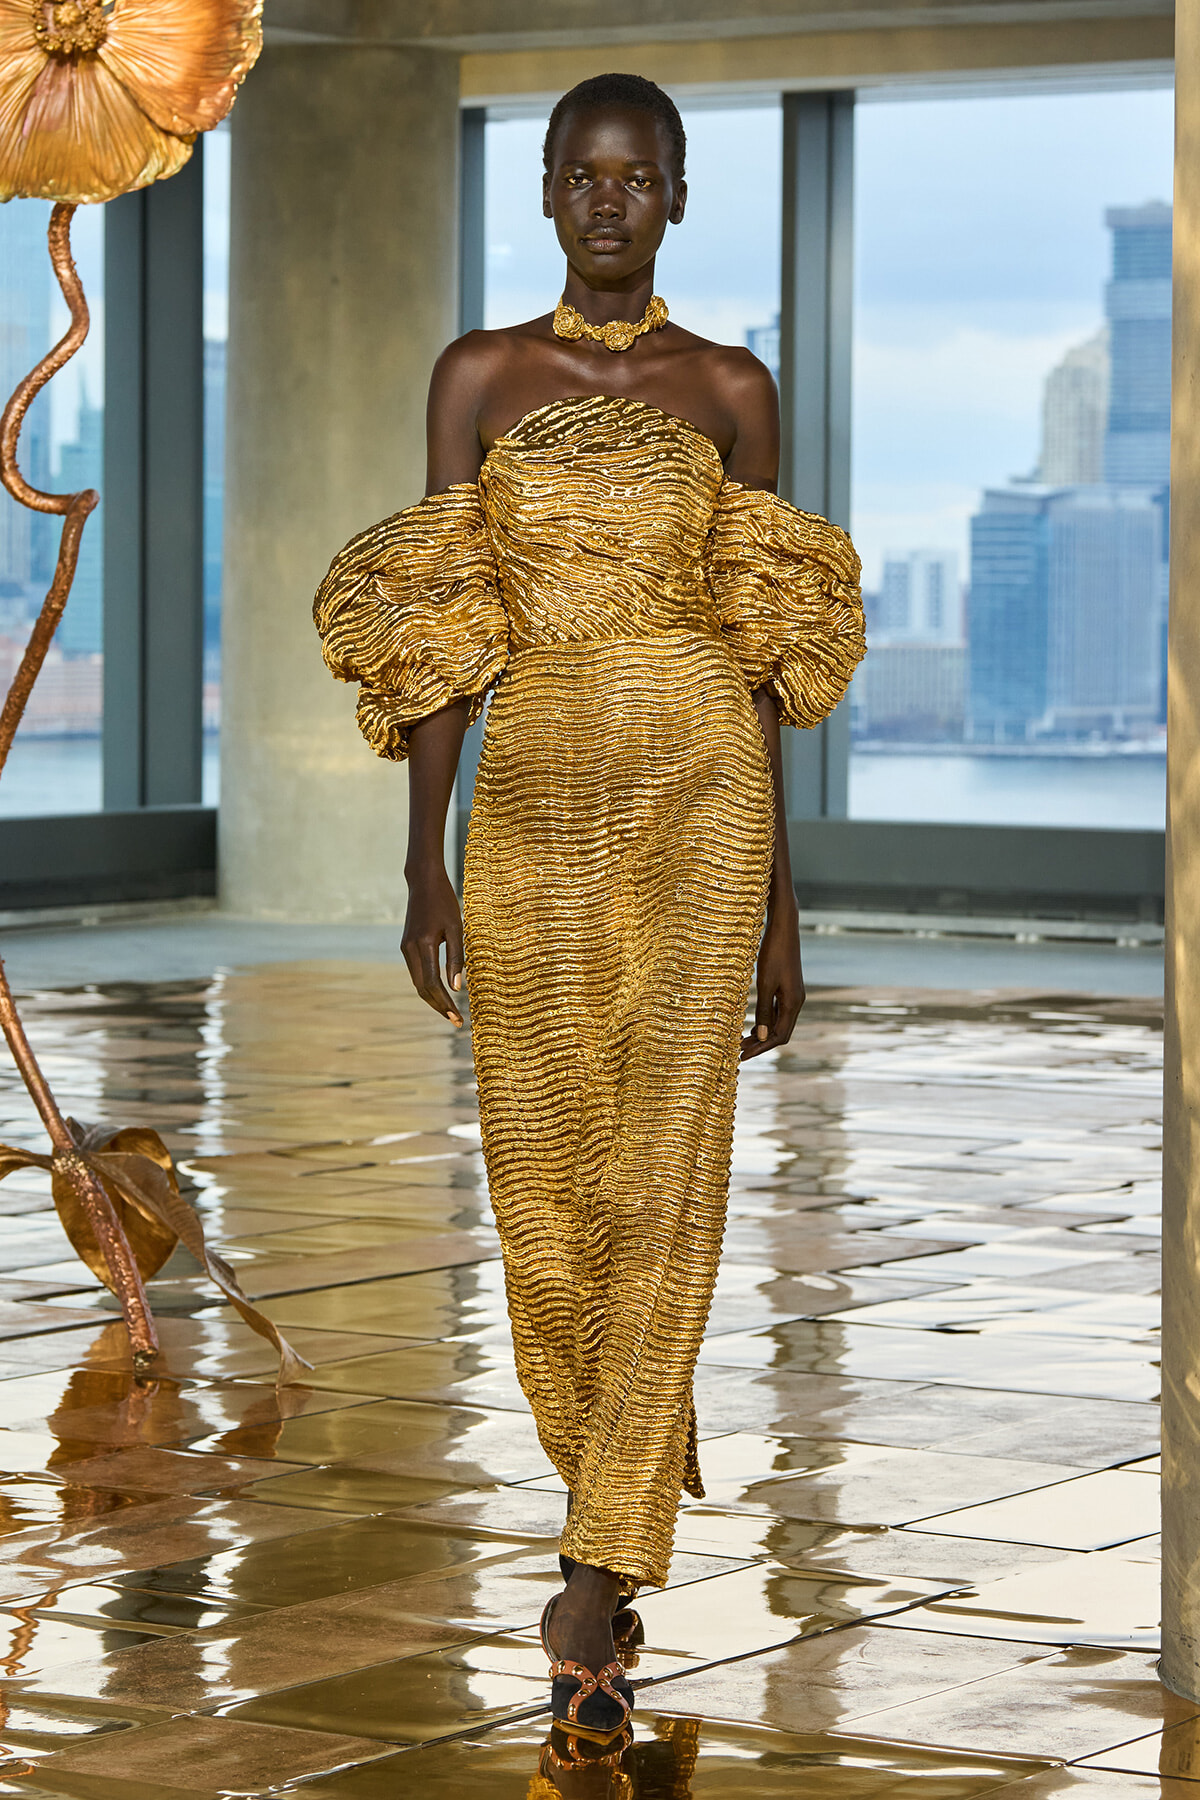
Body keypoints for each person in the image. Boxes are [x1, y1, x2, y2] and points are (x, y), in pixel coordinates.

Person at [315, 71, 865, 1744]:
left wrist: (782, 908)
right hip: (534, 802)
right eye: (580, 173)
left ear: (681, 196)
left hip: (703, 797)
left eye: (640, 175)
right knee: (544, 1183)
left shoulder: (734, 389)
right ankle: (608, 1504)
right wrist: (425, 860)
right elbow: (440, 629)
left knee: (670, 1170)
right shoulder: (478, 378)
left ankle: (595, 1571)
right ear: (547, 196)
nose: (609, 198)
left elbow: (770, 663)